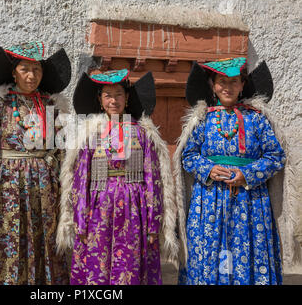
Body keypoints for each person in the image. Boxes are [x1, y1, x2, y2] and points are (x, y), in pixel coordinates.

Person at [56, 69, 179, 285]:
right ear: (100, 100)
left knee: (129, 266)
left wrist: (153, 224)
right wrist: (80, 221)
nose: (114, 100)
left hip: (134, 210)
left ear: (128, 98)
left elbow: (153, 180)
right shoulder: (90, 134)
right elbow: (80, 179)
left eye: (119, 94)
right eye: (108, 95)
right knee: (97, 264)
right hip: (98, 210)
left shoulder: (142, 133)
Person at [175, 57, 286, 285]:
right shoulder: (202, 120)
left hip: (250, 201)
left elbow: (276, 156)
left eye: (234, 82)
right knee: (208, 253)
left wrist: (247, 174)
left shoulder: (256, 120)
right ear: (212, 85)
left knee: (247, 250)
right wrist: (208, 169)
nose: (227, 87)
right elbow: (188, 156)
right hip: (209, 201)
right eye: (222, 82)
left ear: (242, 85)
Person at [0, 41, 71, 285]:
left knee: (45, 237)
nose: (32, 75)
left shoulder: (51, 105)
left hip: (45, 186)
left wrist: (61, 184)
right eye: (25, 69)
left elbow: (60, 149)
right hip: (8, 187)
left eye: (37, 69)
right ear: (13, 72)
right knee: (8, 235)